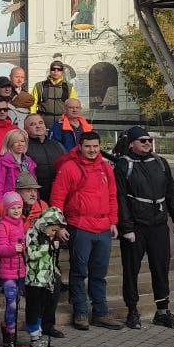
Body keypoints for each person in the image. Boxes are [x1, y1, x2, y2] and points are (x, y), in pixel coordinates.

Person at [114, 125, 174, 330]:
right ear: (131, 143)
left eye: (149, 140)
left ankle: (162, 311)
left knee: (161, 268)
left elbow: (170, 192)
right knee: (131, 270)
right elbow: (121, 199)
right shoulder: (123, 165)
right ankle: (132, 311)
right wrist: (127, 228)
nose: (147, 143)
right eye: (142, 140)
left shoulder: (161, 163)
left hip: (158, 224)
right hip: (136, 226)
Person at [50, 130, 122, 332]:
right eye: (88, 146)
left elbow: (112, 195)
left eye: (95, 146)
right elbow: (58, 198)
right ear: (80, 147)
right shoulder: (69, 167)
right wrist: (59, 225)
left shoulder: (105, 167)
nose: (92, 150)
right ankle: (80, 312)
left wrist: (113, 221)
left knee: (99, 273)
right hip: (79, 226)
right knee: (79, 272)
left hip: (103, 227)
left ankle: (101, 312)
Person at [0, 191, 28, 347]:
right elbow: (0, 249)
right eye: (13, 208)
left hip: (20, 269)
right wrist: (14, 249)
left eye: (19, 207)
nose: (17, 211)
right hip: (7, 272)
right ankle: (11, 342)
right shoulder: (2, 225)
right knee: (11, 304)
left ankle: (8, 333)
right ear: (6, 209)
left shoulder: (20, 223)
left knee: (16, 303)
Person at [23, 205, 66, 347]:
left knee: (42, 308)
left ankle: (39, 334)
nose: (54, 233)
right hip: (33, 279)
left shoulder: (48, 237)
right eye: (53, 230)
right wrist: (47, 247)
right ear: (45, 224)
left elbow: (50, 258)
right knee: (33, 308)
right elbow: (30, 254)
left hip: (46, 280)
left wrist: (54, 271)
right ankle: (34, 337)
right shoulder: (32, 232)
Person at [23, 113, 65, 202]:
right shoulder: (23, 147)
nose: (38, 126)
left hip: (57, 195)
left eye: (40, 123)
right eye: (33, 124)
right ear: (25, 129)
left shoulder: (57, 145)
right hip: (34, 197)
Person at [0, 129, 36, 205]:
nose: (20, 144)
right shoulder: (2, 162)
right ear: (9, 143)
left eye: (22, 141)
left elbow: (34, 186)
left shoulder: (29, 162)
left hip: (27, 203)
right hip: (9, 204)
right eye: (16, 142)